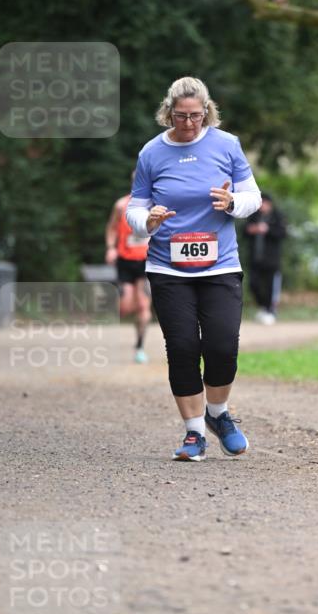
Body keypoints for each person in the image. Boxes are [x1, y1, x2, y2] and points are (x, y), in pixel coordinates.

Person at [126, 76, 262, 462]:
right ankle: (194, 433)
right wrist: (147, 220)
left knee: (222, 347)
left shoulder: (226, 144)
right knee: (183, 348)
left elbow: (253, 196)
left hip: (220, 264)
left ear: (208, 112)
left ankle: (218, 414)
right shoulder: (151, 152)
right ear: (168, 112)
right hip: (168, 266)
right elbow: (135, 207)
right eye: (181, 116)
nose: (189, 124)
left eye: (197, 116)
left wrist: (233, 201)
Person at [105, 178, 151, 363]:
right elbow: (111, 228)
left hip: (147, 261)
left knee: (143, 305)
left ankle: (140, 346)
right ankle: (136, 328)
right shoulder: (121, 205)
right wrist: (110, 248)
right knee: (126, 306)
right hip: (125, 260)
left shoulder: (155, 204)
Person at [244, 193, 287, 325]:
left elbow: (283, 233)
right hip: (255, 259)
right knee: (253, 284)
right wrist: (251, 230)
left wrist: (267, 230)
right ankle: (263, 308)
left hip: (272, 261)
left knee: (270, 287)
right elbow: (244, 231)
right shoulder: (254, 216)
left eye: (265, 203)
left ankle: (270, 311)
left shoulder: (277, 217)